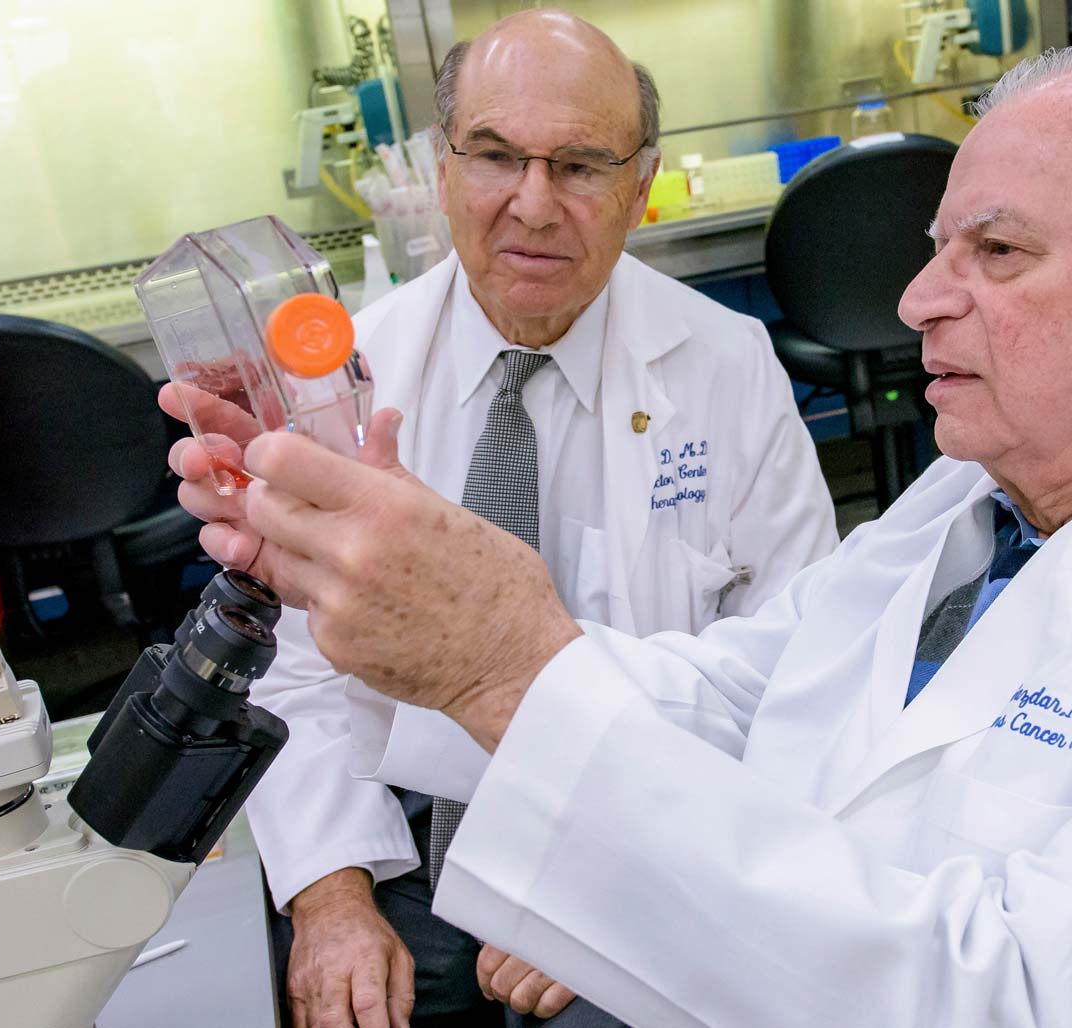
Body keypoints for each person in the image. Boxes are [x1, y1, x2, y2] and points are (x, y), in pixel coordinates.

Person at [214, 36, 1072, 1028]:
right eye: (942, 248)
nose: (919, 299)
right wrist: (418, 619)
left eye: (994, 250)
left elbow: (1001, 998)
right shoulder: (970, 506)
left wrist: (501, 658)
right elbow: (732, 694)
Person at [161, 11, 836, 1028]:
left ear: (638, 186)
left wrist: (619, 870)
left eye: (579, 164)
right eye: (494, 156)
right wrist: (330, 895)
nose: (533, 203)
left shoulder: (727, 367)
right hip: (409, 837)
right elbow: (293, 665)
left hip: (644, 820)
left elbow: (804, 669)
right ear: (442, 169)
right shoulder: (344, 377)